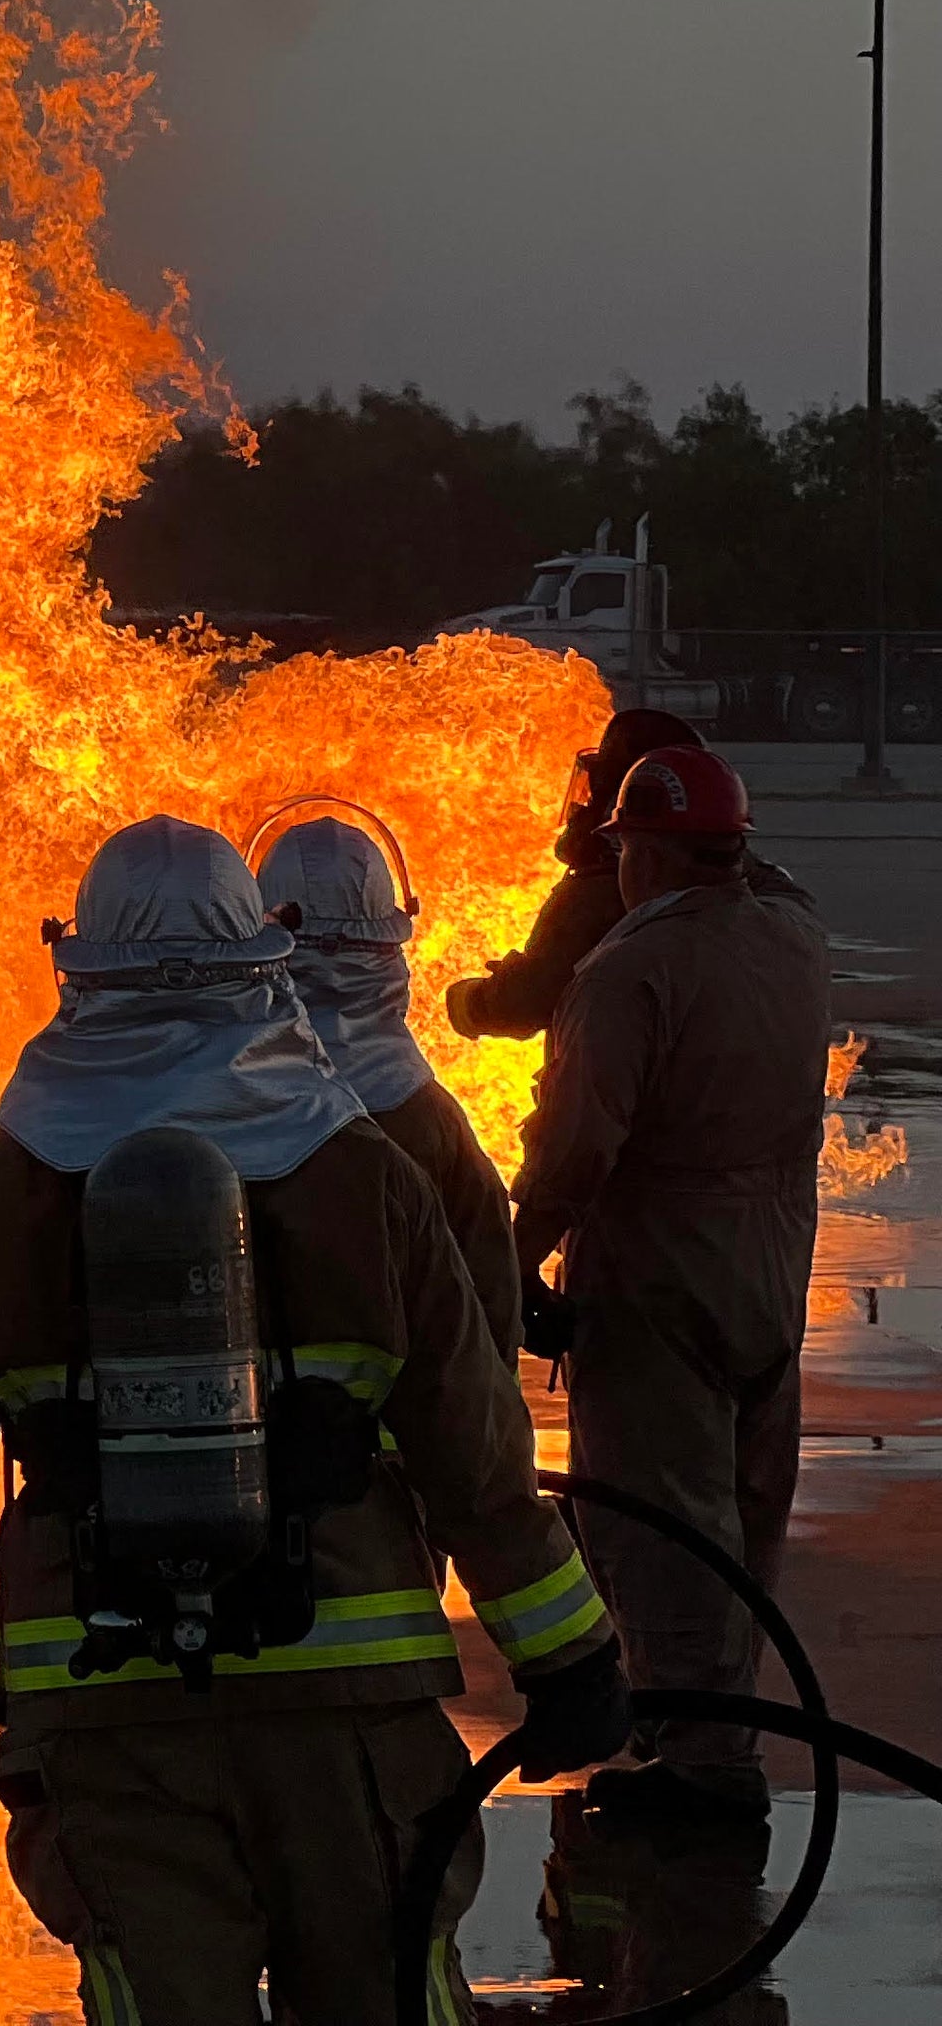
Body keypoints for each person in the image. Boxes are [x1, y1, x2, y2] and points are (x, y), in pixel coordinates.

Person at [0, 816, 628, 2026]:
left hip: (103, 1702)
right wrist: (569, 1654)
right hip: (347, 1701)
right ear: (265, 970)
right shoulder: (368, 1176)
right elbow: (473, 1445)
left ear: (77, 972)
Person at [513, 743, 833, 1827]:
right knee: (743, 1509)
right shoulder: (793, 936)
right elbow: (755, 876)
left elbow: (575, 1151)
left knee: (661, 1522)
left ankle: (703, 1767)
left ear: (642, 854)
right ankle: (700, 1720)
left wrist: (513, 1258)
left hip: (659, 1268)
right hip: (772, 1261)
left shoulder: (629, 973)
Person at [258, 810, 524, 1362]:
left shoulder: (230, 1107)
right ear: (389, 954)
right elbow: (492, 1311)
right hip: (419, 1412)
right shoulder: (432, 1123)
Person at [447, 705, 706, 1043]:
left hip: (620, 1067)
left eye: (596, 791)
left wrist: (469, 1002)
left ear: (622, 800)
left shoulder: (610, 887)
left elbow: (531, 996)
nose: (586, 805)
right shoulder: (731, 881)